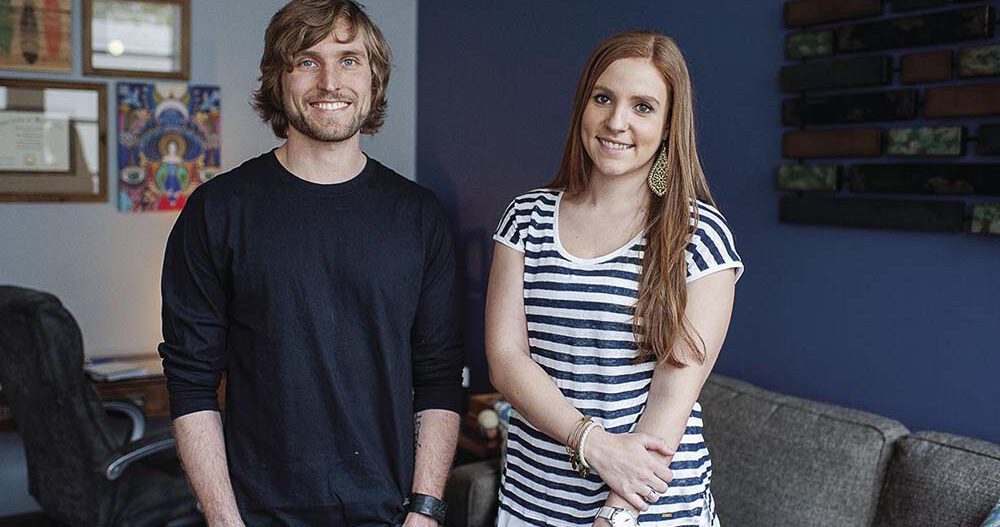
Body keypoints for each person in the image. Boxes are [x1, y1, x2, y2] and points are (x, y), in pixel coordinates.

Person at [158, 1, 463, 526]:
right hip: (257, 514)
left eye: (349, 61)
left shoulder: (418, 216)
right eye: (306, 61)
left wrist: (426, 511)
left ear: (374, 80)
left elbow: (438, 378)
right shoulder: (218, 212)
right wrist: (225, 521)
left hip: (389, 514)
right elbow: (191, 382)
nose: (329, 81)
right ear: (279, 79)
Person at [485, 30, 743, 527]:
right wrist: (593, 443)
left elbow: (670, 406)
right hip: (532, 504)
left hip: (651, 513)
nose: (616, 122)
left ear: (669, 126)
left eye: (643, 107)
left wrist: (614, 517)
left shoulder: (699, 235)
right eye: (603, 98)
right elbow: (505, 360)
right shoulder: (525, 219)